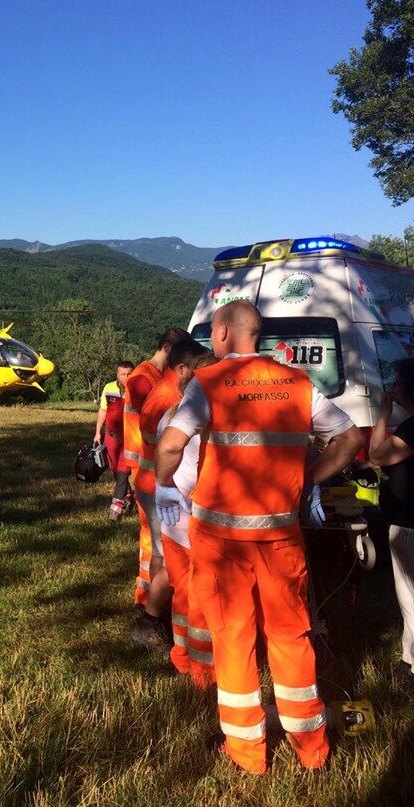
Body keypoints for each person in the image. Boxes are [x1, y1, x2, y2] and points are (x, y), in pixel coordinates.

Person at [155, 300, 363, 774]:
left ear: (224, 333)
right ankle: (312, 749)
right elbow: (349, 439)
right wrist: (309, 478)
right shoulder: (296, 382)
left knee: (233, 639)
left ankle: (249, 754)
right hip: (279, 536)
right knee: (292, 636)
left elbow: (171, 444)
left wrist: (165, 480)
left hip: (219, 542)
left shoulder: (207, 383)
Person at [153, 344, 218, 686]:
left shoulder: (172, 415)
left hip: (171, 519)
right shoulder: (206, 422)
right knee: (200, 599)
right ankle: (203, 673)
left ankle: (181, 657)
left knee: (181, 593)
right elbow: (196, 473)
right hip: (195, 521)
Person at [125, 327, 188, 641]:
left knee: (157, 548)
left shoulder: (159, 383)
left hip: (150, 474)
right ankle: (149, 611)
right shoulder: (149, 382)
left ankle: (152, 607)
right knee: (160, 550)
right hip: (152, 475)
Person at [368, 358, 414, 698]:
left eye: (397, 384)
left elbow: (377, 456)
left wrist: (382, 414)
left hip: (408, 523)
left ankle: (410, 665)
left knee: (410, 596)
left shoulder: (412, 429)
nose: (393, 389)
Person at [94, 361, 135, 521]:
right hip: (111, 437)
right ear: (117, 374)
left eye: (129, 374)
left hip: (129, 439)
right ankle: (129, 495)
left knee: (123, 472)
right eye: (122, 374)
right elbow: (103, 410)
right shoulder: (108, 388)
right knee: (115, 471)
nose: (125, 377)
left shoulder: (137, 390)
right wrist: (98, 432)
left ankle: (115, 509)